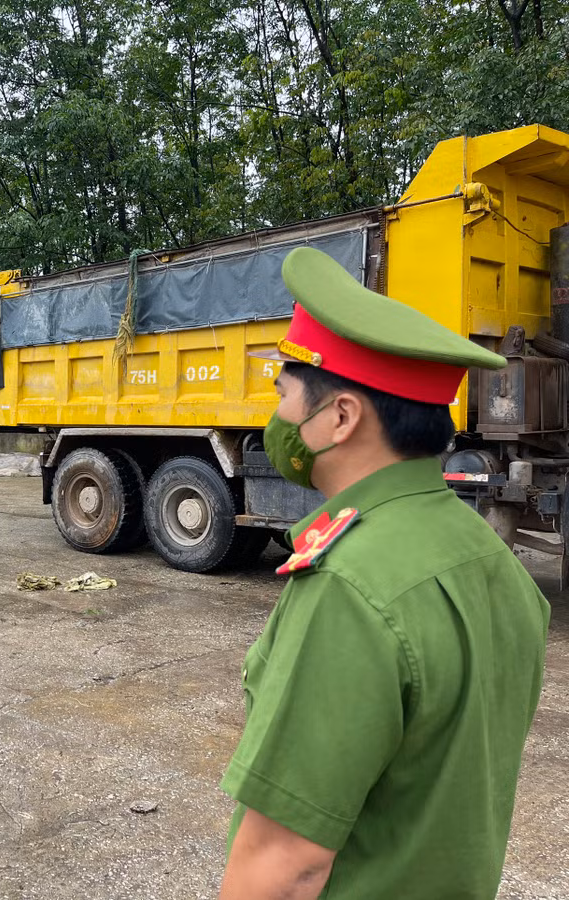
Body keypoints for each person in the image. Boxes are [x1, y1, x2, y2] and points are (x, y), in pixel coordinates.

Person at [218, 247, 550, 900]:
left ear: (339, 417)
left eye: (285, 394)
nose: (277, 417)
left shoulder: (350, 585)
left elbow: (286, 863)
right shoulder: (492, 560)